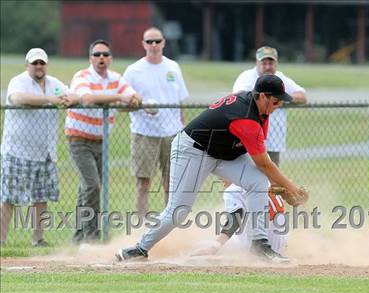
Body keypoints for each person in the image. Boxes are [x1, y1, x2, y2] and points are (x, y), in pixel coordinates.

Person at [116, 74, 308, 262]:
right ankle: (140, 249)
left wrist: (278, 183)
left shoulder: (260, 109)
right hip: (192, 150)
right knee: (178, 211)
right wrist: (290, 187)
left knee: (257, 181)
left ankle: (260, 243)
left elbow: (259, 160)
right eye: (276, 101)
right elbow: (264, 163)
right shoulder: (246, 117)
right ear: (263, 96)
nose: (279, 105)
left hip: (223, 153)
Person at [220, 46, 309, 256]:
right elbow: (240, 97)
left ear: (276, 63)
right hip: (246, 143)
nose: (267, 65)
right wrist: (291, 188)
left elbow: (303, 96)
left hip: (273, 144)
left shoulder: (280, 79)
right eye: (264, 62)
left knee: (268, 187)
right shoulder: (247, 78)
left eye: (271, 62)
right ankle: (240, 231)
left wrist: (281, 97)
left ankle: (266, 233)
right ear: (257, 63)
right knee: (241, 187)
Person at [0, 48, 78, 246]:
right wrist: (49, 100)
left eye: (41, 63)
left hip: (45, 153)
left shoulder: (54, 84)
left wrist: (71, 99)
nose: (38, 67)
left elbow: (72, 95)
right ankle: (1, 239)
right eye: (34, 63)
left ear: (46, 65)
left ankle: (38, 239)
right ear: (27, 65)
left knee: (41, 197)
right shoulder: (18, 81)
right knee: (9, 198)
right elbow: (17, 99)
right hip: (17, 151)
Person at [65, 39, 140, 244]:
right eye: (97, 54)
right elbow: (87, 98)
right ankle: (91, 237)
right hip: (78, 138)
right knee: (92, 186)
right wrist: (118, 97)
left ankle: (78, 237)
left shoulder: (116, 78)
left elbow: (134, 98)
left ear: (111, 58)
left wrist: (126, 98)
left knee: (87, 188)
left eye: (105, 55)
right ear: (91, 58)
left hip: (102, 141)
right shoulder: (82, 76)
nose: (101, 58)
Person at [123, 27, 189, 218]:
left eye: (157, 41)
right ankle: (142, 223)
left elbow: (179, 101)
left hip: (172, 133)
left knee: (170, 181)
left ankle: (167, 222)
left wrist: (181, 127)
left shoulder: (173, 67)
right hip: (145, 133)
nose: (154, 45)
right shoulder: (134, 70)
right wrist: (139, 105)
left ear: (163, 43)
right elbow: (123, 102)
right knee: (143, 181)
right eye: (149, 42)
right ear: (143, 44)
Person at [191, 186, 289, 259]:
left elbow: (235, 219)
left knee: (202, 244)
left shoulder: (233, 189)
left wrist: (215, 246)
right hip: (280, 244)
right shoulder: (265, 181)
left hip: (255, 249)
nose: (220, 177)